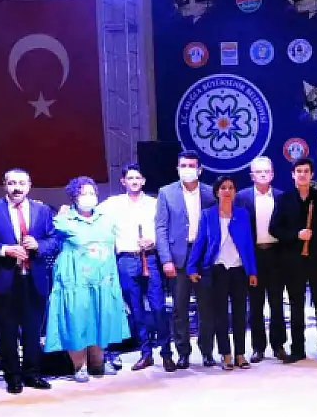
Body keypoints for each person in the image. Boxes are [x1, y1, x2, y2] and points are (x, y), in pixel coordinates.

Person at [0, 168, 58, 393]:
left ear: (29, 186)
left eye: (22, 183)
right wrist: (4, 249)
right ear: (4, 185)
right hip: (3, 279)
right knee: (7, 330)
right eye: (12, 183)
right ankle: (12, 376)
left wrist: (39, 245)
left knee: (33, 331)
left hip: (34, 279)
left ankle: (32, 374)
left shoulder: (42, 210)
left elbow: (54, 239)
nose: (17, 188)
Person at [43, 177, 131, 382]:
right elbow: (49, 242)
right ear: (74, 197)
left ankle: (98, 363)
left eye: (92, 193)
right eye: (83, 193)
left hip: (103, 279)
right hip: (75, 281)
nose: (89, 197)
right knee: (77, 320)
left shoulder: (106, 219)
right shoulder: (63, 220)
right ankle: (79, 366)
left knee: (101, 317)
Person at [99, 163, 171, 371]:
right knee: (137, 310)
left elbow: (165, 228)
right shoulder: (113, 204)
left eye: (137, 178)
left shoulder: (155, 203)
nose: (134, 181)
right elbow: (91, 214)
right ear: (123, 181)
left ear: (143, 181)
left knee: (158, 308)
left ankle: (166, 353)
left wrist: (153, 241)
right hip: (126, 260)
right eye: (130, 178)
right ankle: (145, 353)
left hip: (151, 258)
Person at [187, 176, 258, 370]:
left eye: (231, 188)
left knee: (240, 313)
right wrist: (192, 267)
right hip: (217, 269)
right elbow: (200, 242)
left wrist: (252, 271)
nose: (227, 191)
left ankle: (240, 354)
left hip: (239, 269)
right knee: (220, 315)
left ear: (235, 192)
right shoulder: (208, 215)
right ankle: (226, 354)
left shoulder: (242, 214)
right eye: (223, 188)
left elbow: (248, 245)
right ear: (217, 192)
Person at [155, 150, 216, 368]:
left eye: (192, 166)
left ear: (200, 170)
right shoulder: (166, 193)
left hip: (203, 257)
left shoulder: (210, 192)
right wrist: (166, 259)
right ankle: (183, 352)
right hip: (178, 257)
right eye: (184, 166)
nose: (188, 170)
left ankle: (207, 351)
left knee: (206, 308)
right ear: (177, 168)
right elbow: (161, 227)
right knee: (179, 309)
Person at [271, 157, 317, 363]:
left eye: (306, 171)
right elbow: (274, 228)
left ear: (312, 174)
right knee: (296, 306)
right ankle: (298, 349)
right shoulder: (284, 198)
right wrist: (297, 235)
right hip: (293, 262)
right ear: (293, 175)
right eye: (299, 171)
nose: (303, 174)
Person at [235, 156, 288, 363]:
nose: (263, 175)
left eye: (267, 171)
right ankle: (258, 347)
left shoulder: (282, 197)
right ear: (252, 176)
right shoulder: (242, 197)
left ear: (273, 174)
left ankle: (279, 345)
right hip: (253, 255)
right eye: (259, 172)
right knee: (256, 304)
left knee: (277, 303)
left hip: (276, 255)